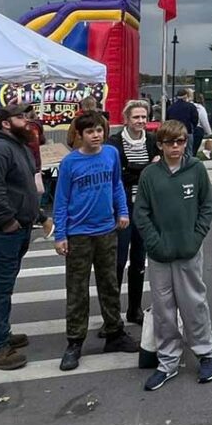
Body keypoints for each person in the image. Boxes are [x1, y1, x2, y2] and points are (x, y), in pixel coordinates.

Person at [133, 119, 212, 389]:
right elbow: (141, 212)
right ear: (160, 144)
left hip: (188, 250)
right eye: (170, 142)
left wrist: (196, 238)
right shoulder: (150, 174)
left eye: (180, 142)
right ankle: (168, 360)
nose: (176, 147)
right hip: (160, 254)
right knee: (163, 309)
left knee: (194, 304)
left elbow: (207, 206)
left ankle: (206, 353)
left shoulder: (196, 170)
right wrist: (154, 242)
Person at [54, 112, 140, 371]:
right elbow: (61, 200)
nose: (96, 135)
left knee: (110, 283)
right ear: (80, 135)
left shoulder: (111, 154)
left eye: (99, 130)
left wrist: (122, 211)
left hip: (106, 229)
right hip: (79, 232)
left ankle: (114, 332)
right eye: (90, 131)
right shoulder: (70, 163)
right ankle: (75, 341)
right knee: (77, 289)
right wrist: (61, 235)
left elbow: (117, 186)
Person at [0, 105, 41, 370]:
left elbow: (22, 187)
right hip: (1, 231)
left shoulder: (18, 146)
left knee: (3, 286)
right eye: (20, 118)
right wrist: (7, 221)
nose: (27, 121)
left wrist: (35, 217)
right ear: (5, 123)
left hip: (18, 227)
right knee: (0, 288)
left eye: (26, 117)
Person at [107, 100, 160, 324]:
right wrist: (146, 168)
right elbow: (118, 176)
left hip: (145, 208)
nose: (141, 121)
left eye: (143, 117)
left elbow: (159, 171)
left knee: (139, 260)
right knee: (118, 262)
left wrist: (137, 171)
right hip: (122, 208)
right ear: (126, 119)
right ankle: (112, 315)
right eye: (136, 117)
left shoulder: (152, 140)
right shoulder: (115, 143)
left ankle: (134, 309)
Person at [166, 89, 199, 158]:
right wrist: (194, 127)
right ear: (186, 96)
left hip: (174, 131)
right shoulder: (190, 106)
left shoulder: (171, 107)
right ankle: (188, 166)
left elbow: (167, 119)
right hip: (187, 130)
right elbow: (195, 119)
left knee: (175, 150)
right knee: (188, 151)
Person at [192, 93, 212, 157]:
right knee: (194, 149)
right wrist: (209, 132)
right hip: (198, 129)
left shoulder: (189, 106)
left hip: (188, 129)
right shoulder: (200, 108)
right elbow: (204, 121)